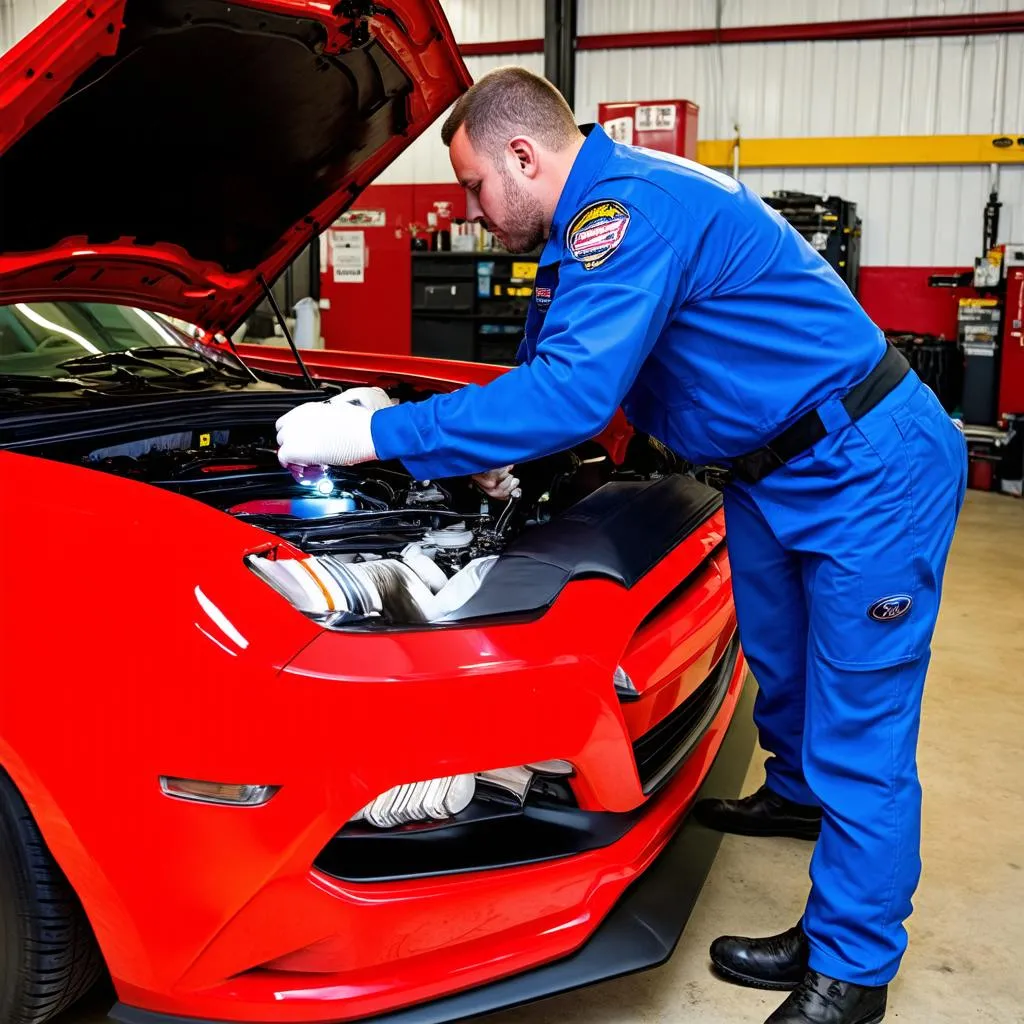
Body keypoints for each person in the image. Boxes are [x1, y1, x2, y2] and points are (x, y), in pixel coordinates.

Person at [275, 67, 967, 1024]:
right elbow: (554, 373)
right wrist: (490, 459)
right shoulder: (578, 229)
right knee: (788, 673)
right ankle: (802, 800)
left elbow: (572, 394)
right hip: (768, 471)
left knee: (864, 726)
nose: (472, 211)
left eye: (475, 186)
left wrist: (371, 436)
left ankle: (850, 968)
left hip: (864, 466)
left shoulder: (623, 211)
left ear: (524, 155)